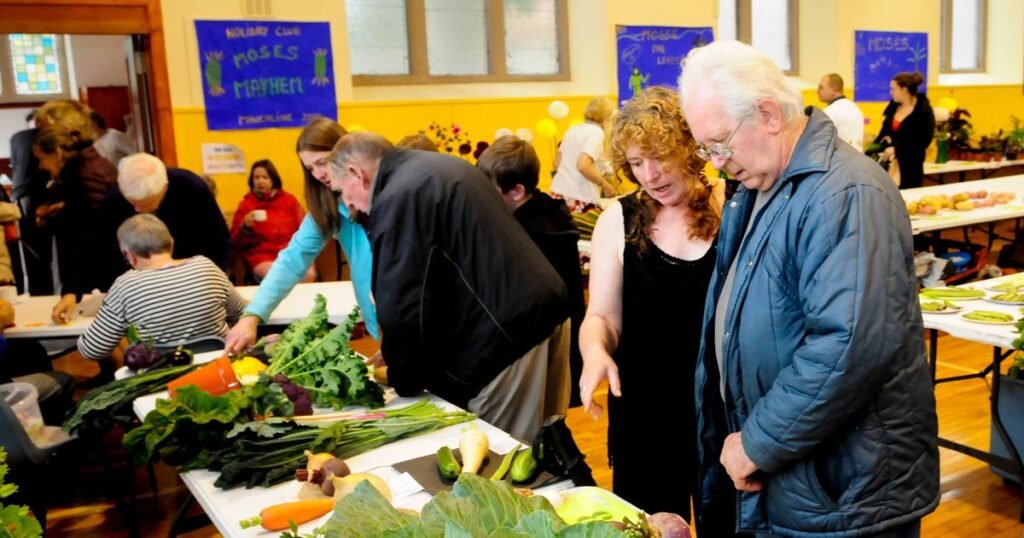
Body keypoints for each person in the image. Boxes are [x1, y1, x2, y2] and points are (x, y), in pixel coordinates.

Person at [678, 41, 938, 537]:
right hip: (803, 479)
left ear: (769, 114)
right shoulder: (761, 185)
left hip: (845, 493)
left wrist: (756, 442)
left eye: (718, 143)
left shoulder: (845, 193)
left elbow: (846, 347)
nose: (716, 162)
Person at [328, 131, 570, 441]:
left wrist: (403, 374)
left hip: (508, 337)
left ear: (355, 173)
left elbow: (403, 302)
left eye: (343, 193)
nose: (351, 206)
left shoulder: (399, 196)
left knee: (501, 458)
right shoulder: (438, 167)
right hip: (542, 313)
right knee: (545, 443)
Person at [576, 87, 720, 520]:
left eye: (660, 156)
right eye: (637, 163)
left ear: (690, 147)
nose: (651, 175)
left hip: (720, 409)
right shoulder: (618, 220)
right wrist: (594, 351)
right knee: (652, 526)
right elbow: (601, 316)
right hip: (645, 412)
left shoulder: (733, 206)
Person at [223, 118, 379, 355]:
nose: (318, 174)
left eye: (322, 163)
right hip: (378, 319)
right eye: (309, 169)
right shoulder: (326, 204)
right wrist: (252, 315)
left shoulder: (381, 193)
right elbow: (291, 260)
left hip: (406, 313)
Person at [51, 153, 231, 324]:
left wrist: (211, 283)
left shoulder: (192, 188)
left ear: (164, 189)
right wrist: (71, 293)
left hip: (191, 282)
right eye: (132, 203)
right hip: (142, 290)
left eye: (145, 203)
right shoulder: (116, 197)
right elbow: (89, 246)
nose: (136, 210)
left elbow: (219, 242)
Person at [477, 135, 586, 408]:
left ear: (516, 191)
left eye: (490, 191)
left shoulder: (530, 234)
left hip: (543, 344)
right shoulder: (546, 214)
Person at [77, 214, 246, 360]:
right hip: (218, 371)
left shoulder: (125, 285)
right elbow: (242, 313)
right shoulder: (206, 266)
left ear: (129, 255)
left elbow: (92, 349)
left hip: (158, 381)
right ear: (171, 243)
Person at [32, 125, 119, 297]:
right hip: (106, 257)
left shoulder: (82, 174)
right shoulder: (91, 163)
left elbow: (91, 227)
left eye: (41, 159)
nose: (41, 166)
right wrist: (60, 209)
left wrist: (73, 289)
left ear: (58, 152)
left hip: (100, 265)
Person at [230, 159, 310, 281]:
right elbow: (236, 242)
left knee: (308, 274)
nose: (260, 181)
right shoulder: (246, 205)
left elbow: (305, 229)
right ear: (252, 181)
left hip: (290, 253)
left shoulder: (289, 201)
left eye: (265, 177)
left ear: (273, 179)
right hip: (262, 257)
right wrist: (245, 228)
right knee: (280, 276)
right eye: (256, 178)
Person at [550, 96, 617, 213]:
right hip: (579, 195)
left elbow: (557, 164)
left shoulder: (573, 129)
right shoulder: (596, 133)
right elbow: (583, 165)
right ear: (607, 117)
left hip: (558, 192)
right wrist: (605, 185)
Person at [874, 72, 935, 189]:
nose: (891, 93)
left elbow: (923, 140)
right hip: (889, 165)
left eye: (893, 89)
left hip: (911, 165)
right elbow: (883, 134)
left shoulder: (923, 112)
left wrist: (897, 149)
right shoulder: (893, 108)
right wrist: (871, 151)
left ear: (904, 90)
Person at [817, 73, 864, 151]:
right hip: (858, 158)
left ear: (833, 90)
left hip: (841, 160)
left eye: (821, 87)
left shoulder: (830, 112)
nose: (817, 91)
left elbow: (819, 142)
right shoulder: (855, 108)